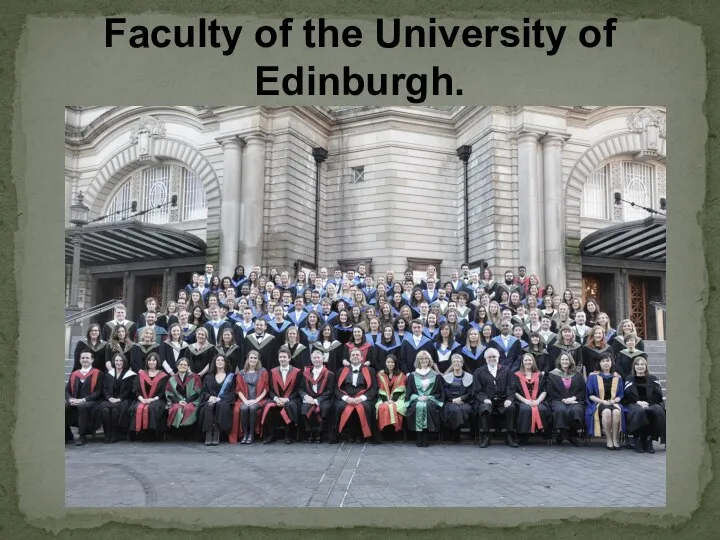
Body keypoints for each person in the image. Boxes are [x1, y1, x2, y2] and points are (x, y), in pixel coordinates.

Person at [472, 348, 518, 448]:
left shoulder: (506, 370)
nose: (492, 358)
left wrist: (509, 399)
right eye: (489, 357)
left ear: (498, 357)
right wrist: (484, 399)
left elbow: (511, 387)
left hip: (503, 401)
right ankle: (485, 437)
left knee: (511, 408)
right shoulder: (479, 372)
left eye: (494, 356)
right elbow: (476, 390)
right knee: (484, 408)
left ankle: (509, 436)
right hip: (487, 400)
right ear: (485, 358)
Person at [623, 357, 666, 453]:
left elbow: (658, 394)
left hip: (651, 403)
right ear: (634, 366)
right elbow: (627, 395)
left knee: (652, 411)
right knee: (640, 411)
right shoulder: (629, 379)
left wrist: (648, 403)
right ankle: (639, 439)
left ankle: (648, 440)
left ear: (646, 366)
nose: (640, 366)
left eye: (642, 364)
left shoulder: (653, 378)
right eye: (637, 364)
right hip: (634, 403)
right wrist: (638, 402)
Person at [335, 348, 378, 443]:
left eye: (357, 355)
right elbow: (336, 388)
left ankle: (365, 435)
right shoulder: (341, 370)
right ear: (349, 358)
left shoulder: (370, 370)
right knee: (340, 406)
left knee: (366, 407)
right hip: (347, 397)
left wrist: (362, 398)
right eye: (353, 355)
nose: (355, 357)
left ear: (362, 358)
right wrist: (346, 398)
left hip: (363, 397)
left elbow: (374, 388)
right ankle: (341, 435)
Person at [260, 347, 302, 444]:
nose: (282, 359)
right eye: (280, 357)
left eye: (284, 357)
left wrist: (286, 399)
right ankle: (271, 434)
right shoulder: (272, 371)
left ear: (289, 358)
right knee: (267, 406)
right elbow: (270, 389)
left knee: (289, 405)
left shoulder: (297, 372)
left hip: (291, 399)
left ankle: (288, 435)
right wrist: (276, 399)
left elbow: (298, 390)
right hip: (276, 398)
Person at [585, 353, 625, 450]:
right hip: (599, 403)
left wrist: (614, 401)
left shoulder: (617, 377)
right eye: (603, 361)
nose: (606, 363)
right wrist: (602, 402)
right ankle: (608, 439)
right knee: (607, 412)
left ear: (611, 363)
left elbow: (620, 395)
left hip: (613, 403)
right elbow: (590, 395)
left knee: (616, 412)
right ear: (599, 363)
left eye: (608, 361)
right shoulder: (593, 376)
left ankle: (615, 439)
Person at [229, 350, 270, 444]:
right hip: (244, 399)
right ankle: (245, 434)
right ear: (248, 359)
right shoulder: (241, 373)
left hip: (259, 399)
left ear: (258, 360)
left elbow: (265, 389)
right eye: (251, 358)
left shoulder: (263, 372)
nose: (253, 360)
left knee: (252, 408)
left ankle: (251, 435)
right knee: (243, 408)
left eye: (255, 358)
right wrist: (245, 401)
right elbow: (238, 390)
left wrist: (256, 400)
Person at [65, 349, 104, 446]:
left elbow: (98, 392)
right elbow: (67, 390)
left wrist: (83, 400)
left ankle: (82, 436)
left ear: (92, 360)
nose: (85, 360)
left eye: (87, 358)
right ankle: (67, 434)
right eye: (83, 358)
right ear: (79, 360)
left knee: (82, 406)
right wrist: (70, 399)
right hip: (76, 400)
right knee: (64, 408)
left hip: (92, 401)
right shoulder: (75, 374)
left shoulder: (98, 373)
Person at [405, 351, 444, 447]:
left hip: (431, 399)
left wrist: (428, 397)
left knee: (427, 407)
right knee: (416, 406)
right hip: (416, 399)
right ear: (418, 360)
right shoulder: (412, 375)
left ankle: (426, 437)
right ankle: (419, 437)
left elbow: (439, 392)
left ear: (429, 360)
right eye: (421, 359)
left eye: (426, 358)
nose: (424, 360)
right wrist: (418, 397)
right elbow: (409, 392)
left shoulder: (435, 375)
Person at [546, 352, 586, 446]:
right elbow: (550, 390)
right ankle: (568, 436)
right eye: (563, 359)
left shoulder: (577, 374)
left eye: (567, 359)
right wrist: (563, 399)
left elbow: (583, 389)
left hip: (574, 400)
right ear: (559, 361)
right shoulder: (552, 374)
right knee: (560, 410)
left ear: (570, 361)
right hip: (558, 400)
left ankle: (565, 434)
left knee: (576, 410)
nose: (565, 361)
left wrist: (573, 398)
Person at [128, 352, 169, 442]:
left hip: (157, 399)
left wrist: (152, 399)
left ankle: (151, 433)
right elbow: (136, 390)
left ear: (157, 362)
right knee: (136, 407)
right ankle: (138, 433)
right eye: (149, 360)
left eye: (154, 360)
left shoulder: (163, 376)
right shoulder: (141, 374)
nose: (151, 362)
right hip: (142, 399)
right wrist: (142, 399)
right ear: (147, 362)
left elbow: (163, 392)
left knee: (152, 408)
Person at [513, 353, 552, 444]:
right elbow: (514, 392)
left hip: (538, 400)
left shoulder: (539, 375)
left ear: (533, 361)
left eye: (530, 360)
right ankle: (524, 436)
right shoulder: (516, 375)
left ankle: (543, 433)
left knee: (542, 409)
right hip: (521, 400)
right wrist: (526, 401)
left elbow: (544, 390)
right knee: (525, 410)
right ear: (522, 362)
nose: (528, 362)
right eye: (526, 360)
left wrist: (538, 401)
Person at [98, 352, 136, 444]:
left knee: (115, 411)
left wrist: (119, 399)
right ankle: (107, 434)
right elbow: (104, 389)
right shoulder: (108, 374)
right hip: (110, 399)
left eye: (120, 360)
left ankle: (115, 434)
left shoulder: (130, 374)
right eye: (116, 360)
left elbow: (129, 390)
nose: (118, 362)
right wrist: (109, 398)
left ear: (124, 362)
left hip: (124, 400)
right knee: (105, 410)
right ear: (113, 362)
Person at [198, 354, 236, 445]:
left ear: (225, 363)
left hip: (224, 400)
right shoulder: (208, 376)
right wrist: (209, 397)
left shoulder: (231, 377)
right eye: (218, 360)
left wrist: (220, 398)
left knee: (221, 405)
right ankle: (208, 431)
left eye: (222, 360)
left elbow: (233, 392)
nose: (220, 362)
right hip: (211, 399)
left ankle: (216, 431)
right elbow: (203, 391)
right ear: (214, 363)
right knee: (209, 405)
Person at [300, 350, 336, 443]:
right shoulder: (306, 374)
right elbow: (301, 389)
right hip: (309, 398)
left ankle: (320, 432)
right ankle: (310, 432)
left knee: (325, 409)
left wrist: (317, 400)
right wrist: (306, 397)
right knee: (304, 410)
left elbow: (329, 391)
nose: (316, 359)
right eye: (314, 358)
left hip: (323, 399)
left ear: (323, 359)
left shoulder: (330, 374)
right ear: (311, 359)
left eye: (318, 357)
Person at [165, 357, 202, 436]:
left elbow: (197, 392)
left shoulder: (195, 377)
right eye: (181, 364)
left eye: (185, 365)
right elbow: (169, 393)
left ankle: (188, 432)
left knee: (189, 408)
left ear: (188, 367)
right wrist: (178, 401)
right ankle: (177, 432)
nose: (183, 366)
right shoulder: (172, 379)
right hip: (177, 400)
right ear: (177, 366)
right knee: (175, 408)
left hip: (191, 400)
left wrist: (187, 401)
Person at [442, 354, 474, 443]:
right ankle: (456, 434)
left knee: (464, 409)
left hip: (465, 402)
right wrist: (453, 400)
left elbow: (471, 392)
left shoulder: (469, 377)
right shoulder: (446, 377)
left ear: (462, 363)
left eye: (458, 361)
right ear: (452, 364)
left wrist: (461, 398)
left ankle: (454, 432)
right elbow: (444, 391)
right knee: (455, 409)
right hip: (450, 401)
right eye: (454, 361)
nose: (456, 363)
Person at [375, 354, 407, 440]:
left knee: (393, 406)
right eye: (388, 362)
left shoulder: (401, 375)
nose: (390, 364)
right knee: (382, 407)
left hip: (397, 399)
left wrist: (392, 400)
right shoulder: (380, 374)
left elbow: (401, 389)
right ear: (385, 363)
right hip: (383, 398)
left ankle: (393, 433)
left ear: (395, 363)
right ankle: (384, 432)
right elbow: (380, 389)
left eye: (392, 362)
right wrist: (386, 400)